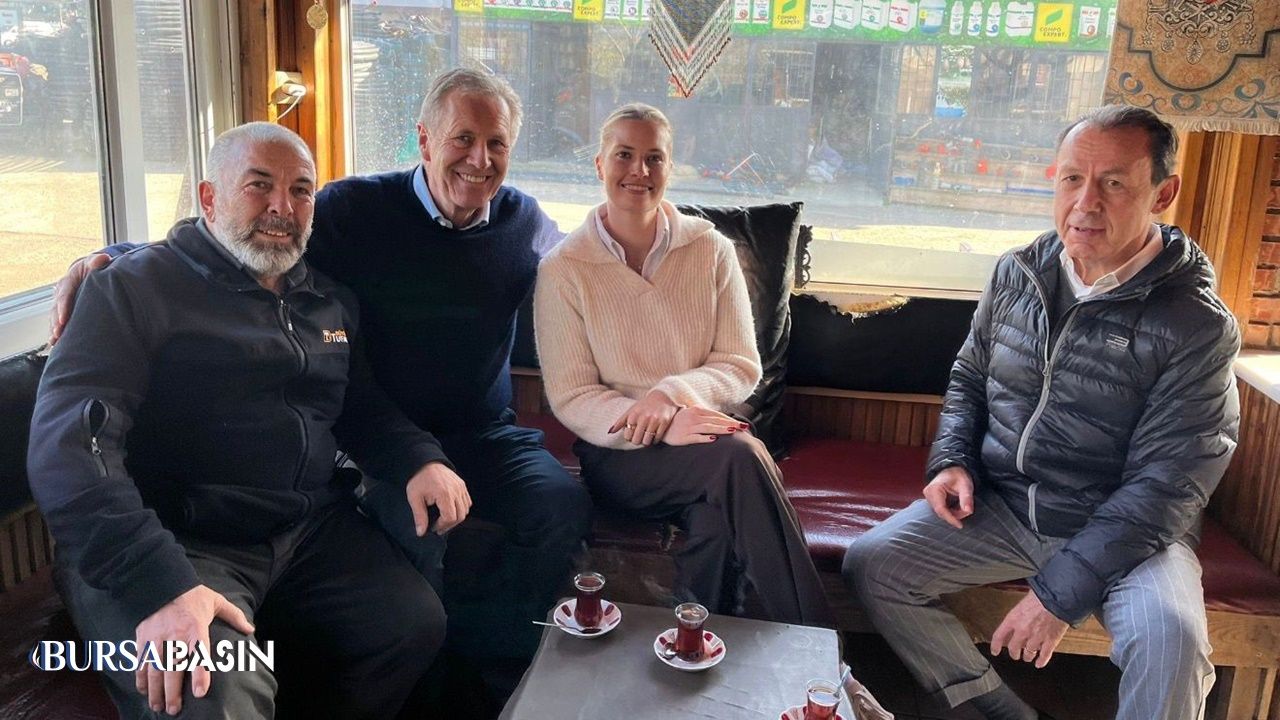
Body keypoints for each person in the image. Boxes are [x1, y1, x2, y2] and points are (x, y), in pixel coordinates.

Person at [48, 69, 593, 668]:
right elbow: (228, 239)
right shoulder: (351, 209)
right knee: (414, 540)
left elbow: (591, 265)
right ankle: (436, 675)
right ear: (425, 139)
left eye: (496, 144)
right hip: (373, 442)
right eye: (463, 138)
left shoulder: (523, 224)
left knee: (559, 507)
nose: (479, 159)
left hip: (475, 433)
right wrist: (113, 257)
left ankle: (496, 671)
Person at [28, 122, 447, 719]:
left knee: (410, 625)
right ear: (209, 198)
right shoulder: (130, 292)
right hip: (170, 541)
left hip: (303, 532)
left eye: (301, 191)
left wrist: (418, 459)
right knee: (212, 690)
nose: (283, 207)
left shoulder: (328, 301)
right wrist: (159, 585)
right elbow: (68, 448)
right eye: (259, 185)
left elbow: (360, 407)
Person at [842, 105, 1240, 720]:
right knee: (875, 565)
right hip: (1005, 505)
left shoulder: (1196, 324)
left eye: (1113, 183)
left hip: (1127, 531)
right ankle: (1000, 712)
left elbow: (1168, 486)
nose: (1086, 202)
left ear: (1163, 194)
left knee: (1173, 641)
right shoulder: (1018, 273)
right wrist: (952, 460)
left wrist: (1057, 598)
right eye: (1072, 179)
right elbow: (970, 377)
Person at [533, 103, 833, 627]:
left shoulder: (710, 248)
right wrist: (659, 423)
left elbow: (740, 364)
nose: (639, 170)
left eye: (654, 157)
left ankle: (692, 642)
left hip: (703, 442)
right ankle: (820, 646)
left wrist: (670, 396)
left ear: (671, 167)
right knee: (741, 455)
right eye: (624, 155)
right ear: (599, 164)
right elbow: (572, 395)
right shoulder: (564, 268)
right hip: (618, 456)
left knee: (716, 522)